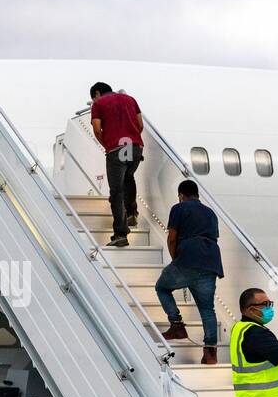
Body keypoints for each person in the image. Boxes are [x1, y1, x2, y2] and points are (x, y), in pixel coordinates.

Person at [156, 180, 223, 363]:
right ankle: (210, 352)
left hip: (188, 258)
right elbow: (213, 237)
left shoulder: (179, 208)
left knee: (162, 287)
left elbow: (172, 237)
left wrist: (175, 259)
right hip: (211, 262)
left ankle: (176, 324)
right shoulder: (210, 213)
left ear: (181, 195)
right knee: (207, 308)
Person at [88, 82, 143, 247]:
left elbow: (97, 130)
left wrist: (108, 146)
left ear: (97, 93)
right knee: (129, 178)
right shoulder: (130, 99)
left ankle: (120, 234)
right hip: (135, 147)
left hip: (117, 149)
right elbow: (140, 125)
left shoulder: (98, 104)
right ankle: (132, 213)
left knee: (117, 191)